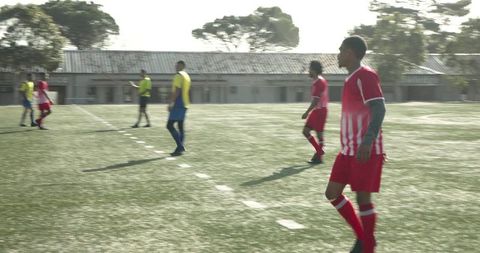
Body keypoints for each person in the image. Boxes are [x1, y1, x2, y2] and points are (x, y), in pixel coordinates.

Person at [325, 36, 386, 253]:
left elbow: (379, 108)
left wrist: (368, 141)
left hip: (364, 149)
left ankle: (367, 247)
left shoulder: (365, 76)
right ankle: (364, 238)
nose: (338, 54)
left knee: (362, 198)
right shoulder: (350, 78)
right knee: (332, 192)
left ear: (350, 53)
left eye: (341, 50)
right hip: (348, 150)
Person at [302, 61, 329, 164]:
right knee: (305, 131)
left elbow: (316, 100)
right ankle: (319, 152)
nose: (309, 71)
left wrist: (307, 112)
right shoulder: (318, 81)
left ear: (314, 70)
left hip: (320, 111)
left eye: (310, 68)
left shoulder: (319, 82)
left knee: (319, 135)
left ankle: (319, 156)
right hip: (317, 111)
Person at [167, 60, 191, 156]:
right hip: (185, 103)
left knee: (169, 125)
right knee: (180, 126)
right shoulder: (187, 76)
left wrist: (171, 103)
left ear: (182, 66)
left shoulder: (178, 75)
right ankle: (180, 148)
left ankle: (180, 146)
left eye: (177, 65)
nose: (175, 67)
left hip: (178, 103)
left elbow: (177, 91)